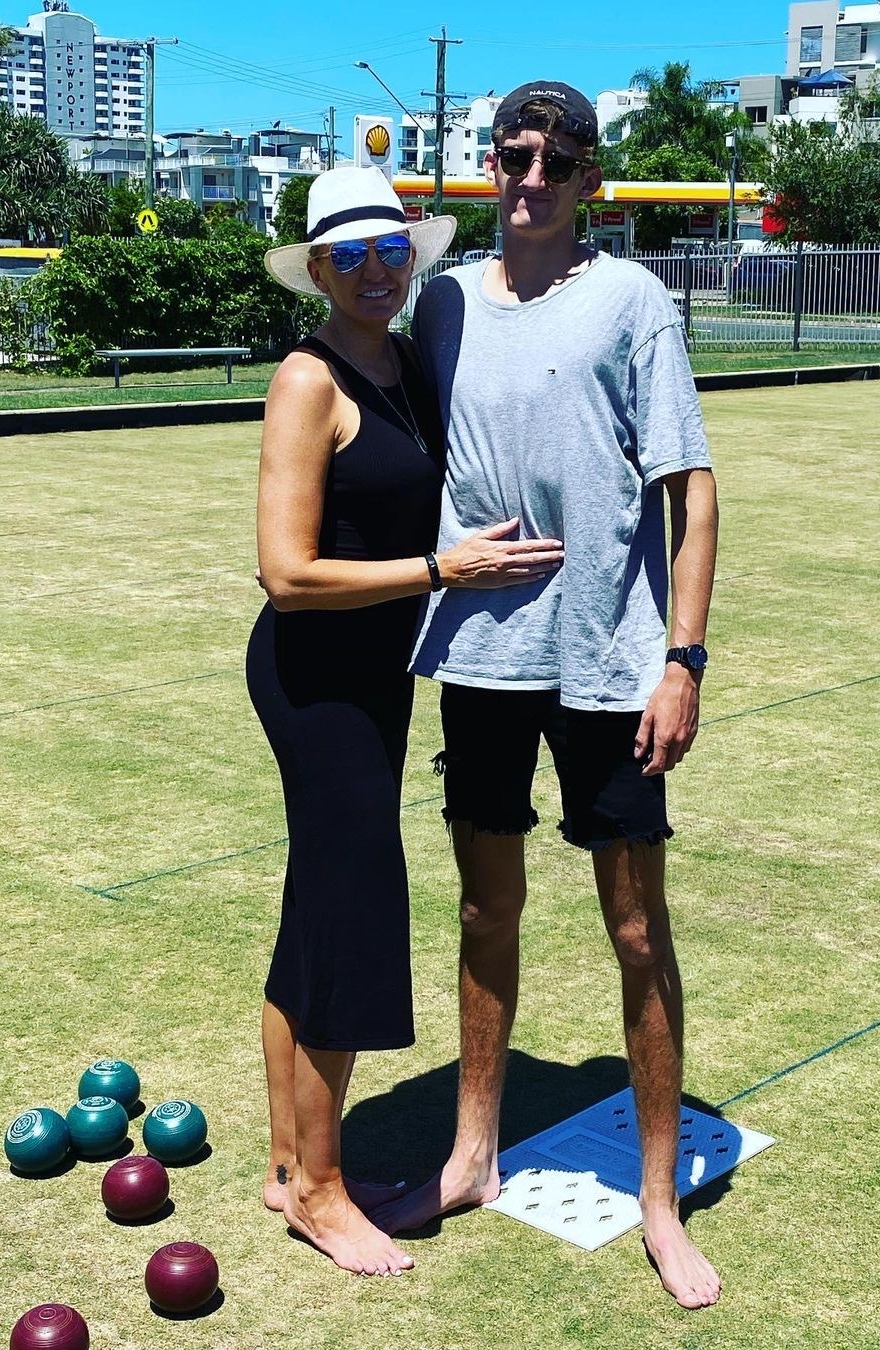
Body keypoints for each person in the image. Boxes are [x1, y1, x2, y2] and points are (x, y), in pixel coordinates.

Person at [371, 85, 722, 1310]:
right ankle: (472, 1156)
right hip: (480, 654)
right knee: (486, 910)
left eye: (555, 162)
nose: (529, 178)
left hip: (609, 662)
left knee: (636, 930)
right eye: (512, 156)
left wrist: (682, 661)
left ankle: (660, 1201)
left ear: (588, 181)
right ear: (491, 166)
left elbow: (691, 489)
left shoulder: (632, 298)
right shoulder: (444, 303)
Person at [249, 167, 564, 1279]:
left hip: (378, 676)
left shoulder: (404, 363)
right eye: (352, 257)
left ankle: (288, 1162)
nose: (376, 272)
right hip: (314, 678)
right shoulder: (309, 379)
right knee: (355, 911)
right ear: (318, 271)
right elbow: (287, 574)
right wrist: (442, 570)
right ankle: (322, 1192)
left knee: (316, 908)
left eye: (392, 251)